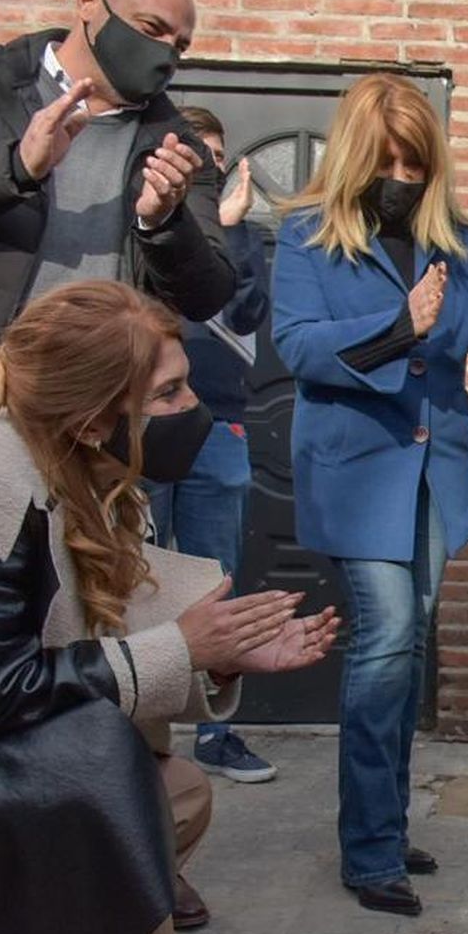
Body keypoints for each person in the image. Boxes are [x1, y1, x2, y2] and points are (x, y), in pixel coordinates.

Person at [0, 279, 337, 934]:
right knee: (123, 790)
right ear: (89, 417)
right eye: (169, 394)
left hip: (4, 759)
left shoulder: (82, 466)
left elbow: (90, 624)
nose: (192, 409)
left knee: (171, 791)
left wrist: (222, 656)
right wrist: (183, 649)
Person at [273, 72, 468, 918]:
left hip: (434, 471)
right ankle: (369, 849)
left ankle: (384, 825)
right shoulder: (305, 239)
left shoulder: (452, 237)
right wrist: (399, 328)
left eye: (415, 161)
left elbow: (467, 338)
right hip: (358, 475)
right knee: (386, 637)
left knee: (407, 647)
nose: (401, 175)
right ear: (356, 156)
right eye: (386, 159)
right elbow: (297, 347)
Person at [0, 0, 236, 440]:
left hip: (104, 423)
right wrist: (16, 167)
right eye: (150, 29)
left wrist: (163, 223)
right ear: (88, 3)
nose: (165, 53)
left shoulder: (179, 147)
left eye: (179, 46)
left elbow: (208, 293)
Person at [143, 105, 279, 793]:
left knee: (213, 577)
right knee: (134, 577)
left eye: (217, 156)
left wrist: (228, 231)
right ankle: (139, 730)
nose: (210, 167)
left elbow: (247, 313)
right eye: (199, 154)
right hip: (138, 427)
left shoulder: (240, 234)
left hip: (218, 424)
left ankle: (217, 735)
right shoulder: (142, 220)